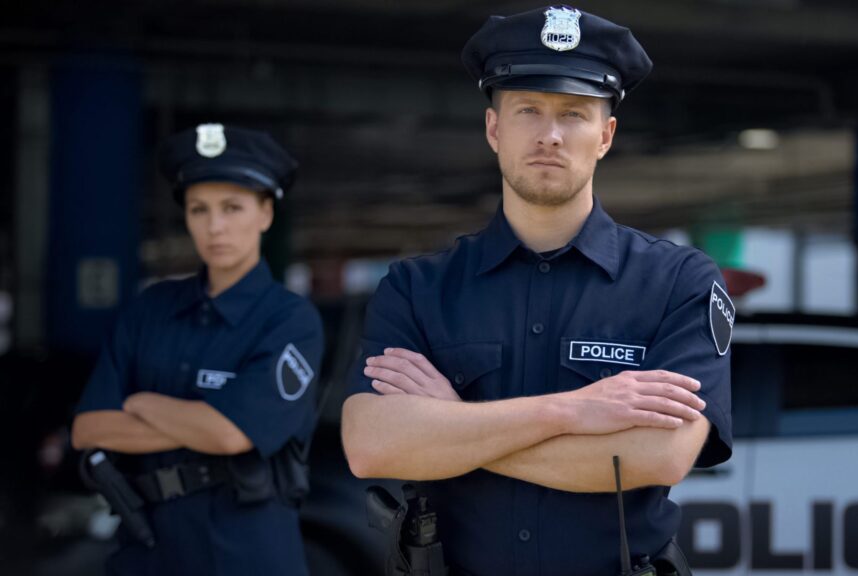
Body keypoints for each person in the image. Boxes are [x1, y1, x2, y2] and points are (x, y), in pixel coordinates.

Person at [341, 6, 734, 576]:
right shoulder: (417, 288)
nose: (550, 134)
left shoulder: (679, 283)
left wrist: (454, 425)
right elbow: (372, 444)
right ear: (494, 128)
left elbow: (660, 455)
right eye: (528, 109)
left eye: (574, 113)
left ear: (606, 135)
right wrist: (574, 411)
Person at [71, 123, 324, 576]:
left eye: (232, 207)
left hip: (246, 553)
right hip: (146, 547)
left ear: (266, 214)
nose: (215, 226)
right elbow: (88, 428)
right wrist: (201, 424)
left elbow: (230, 434)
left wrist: (141, 403)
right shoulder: (149, 311)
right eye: (198, 209)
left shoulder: (289, 320)